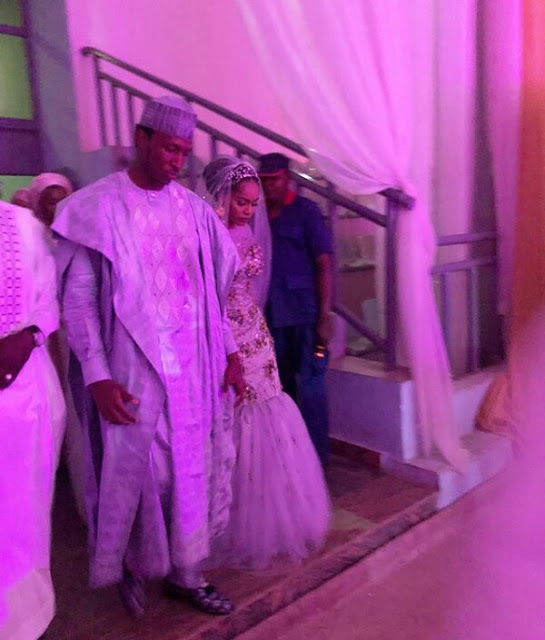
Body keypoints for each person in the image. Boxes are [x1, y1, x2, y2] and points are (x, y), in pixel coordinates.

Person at [52, 95, 244, 617]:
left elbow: (214, 292)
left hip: (196, 365)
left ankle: (188, 574)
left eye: (184, 152)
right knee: (144, 475)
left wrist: (230, 352)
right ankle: (134, 565)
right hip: (133, 366)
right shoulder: (98, 207)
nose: (177, 161)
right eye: (168, 149)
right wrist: (96, 374)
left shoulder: (194, 211)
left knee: (193, 470)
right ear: (142, 139)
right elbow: (78, 298)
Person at [203, 156, 330, 570]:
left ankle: (275, 514)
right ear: (223, 196)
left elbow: (253, 285)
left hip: (256, 333)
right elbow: (209, 297)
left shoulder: (249, 230)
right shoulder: (207, 234)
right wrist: (224, 346)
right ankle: (234, 516)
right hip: (226, 335)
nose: (248, 211)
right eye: (242, 202)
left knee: (272, 407)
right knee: (239, 413)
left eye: (253, 204)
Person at [0, 201, 66, 639]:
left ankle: (23, 620)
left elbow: (49, 301)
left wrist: (25, 339)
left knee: (22, 509)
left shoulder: (22, 225)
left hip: (25, 396)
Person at [258, 153, 334, 464]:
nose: (268, 187)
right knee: (281, 390)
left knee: (312, 388)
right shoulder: (257, 216)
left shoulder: (306, 212)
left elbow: (324, 264)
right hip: (271, 318)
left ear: (287, 179)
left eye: (274, 180)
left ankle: (317, 460)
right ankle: (291, 461)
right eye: (263, 181)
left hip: (305, 316)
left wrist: (325, 316)